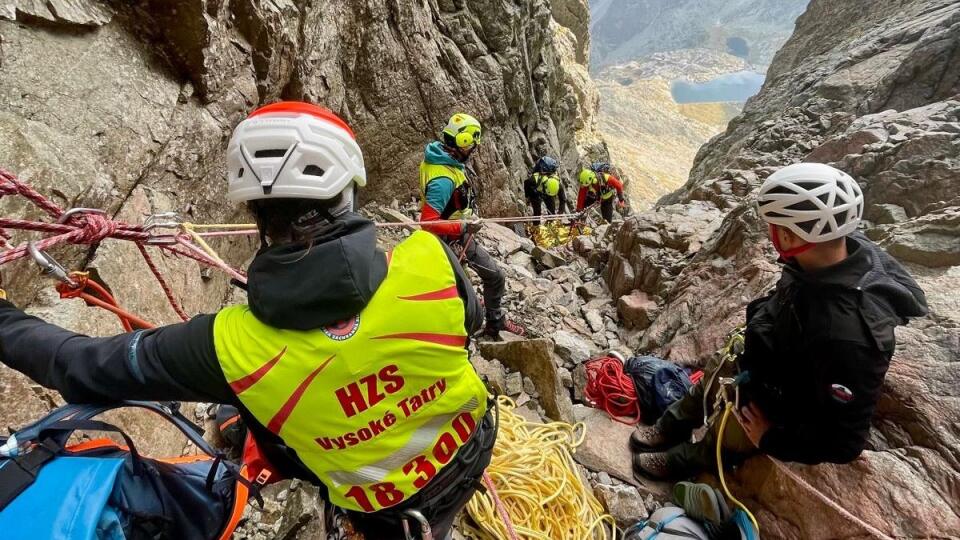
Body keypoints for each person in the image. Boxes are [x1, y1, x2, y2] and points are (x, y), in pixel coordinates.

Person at [0, 101, 497, 540]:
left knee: (254, 417)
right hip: (471, 455)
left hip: (382, 516)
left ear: (258, 215)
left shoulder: (228, 348)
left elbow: (77, 365)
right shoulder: (431, 264)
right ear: (348, 193)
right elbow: (464, 329)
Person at [630, 162, 927, 480]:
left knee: (733, 430)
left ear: (788, 237)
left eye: (774, 225)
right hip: (764, 350)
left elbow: (845, 441)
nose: (770, 231)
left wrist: (770, 438)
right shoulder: (841, 248)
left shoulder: (848, 337)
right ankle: (672, 424)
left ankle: (687, 458)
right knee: (713, 375)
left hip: (779, 393)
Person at [418, 112, 524, 339]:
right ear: (462, 142)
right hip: (450, 240)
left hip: (455, 235)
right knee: (488, 281)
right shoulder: (443, 179)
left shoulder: (441, 159)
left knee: (484, 281)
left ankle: (492, 322)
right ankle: (468, 333)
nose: (473, 149)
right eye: (471, 145)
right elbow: (427, 223)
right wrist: (463, 228)